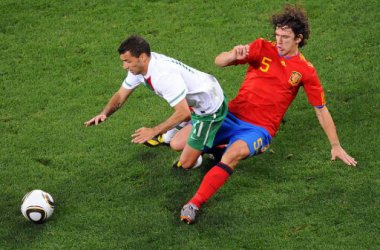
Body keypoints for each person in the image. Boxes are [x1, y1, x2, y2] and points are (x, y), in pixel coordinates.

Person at [177, 4, 357, 224]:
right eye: (277, 35)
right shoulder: (262, 47)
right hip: (231, 115)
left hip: (259, 128)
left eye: (285, 37)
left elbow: (320, 109)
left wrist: (335, 145)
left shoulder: (305, 70)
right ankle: (214, 147)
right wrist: (232, 54)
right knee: (180, 148)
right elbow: (219, 61)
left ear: (298, 38)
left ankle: (194, 203)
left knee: (233, 155)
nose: (279, 41)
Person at [85, 35, 228, 169]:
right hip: (194, 100)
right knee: (171, 141)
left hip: (209, 108)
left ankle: (218, 145)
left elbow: (183, 113)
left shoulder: (163, 76)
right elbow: (120, 95)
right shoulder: (140, 68)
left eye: (128, 61)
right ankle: (194, 137)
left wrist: (153, 131)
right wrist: (104, 113)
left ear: (142, 57)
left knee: (186, 163)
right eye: (123, 61)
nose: (125, 66)